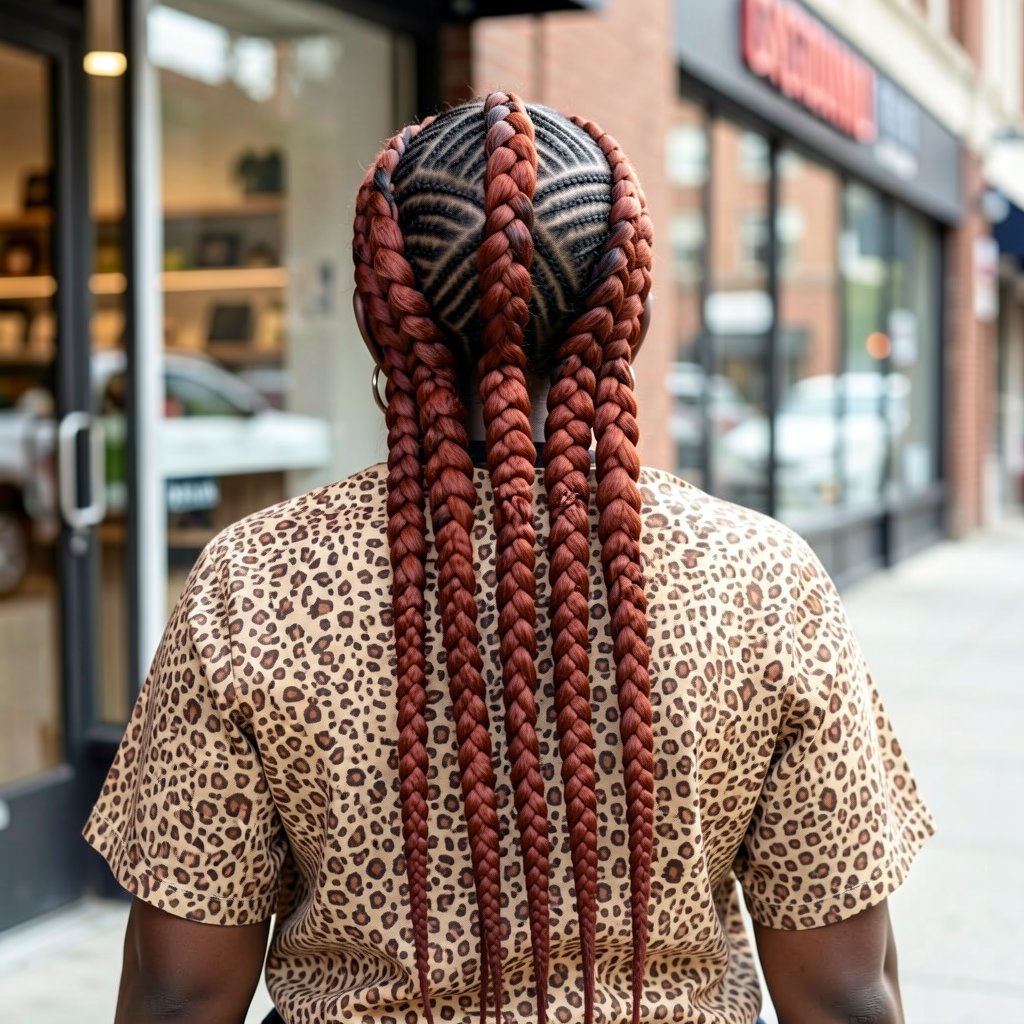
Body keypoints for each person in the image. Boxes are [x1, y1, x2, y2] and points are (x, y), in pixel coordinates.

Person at [84, 93, 933, 1024]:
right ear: (627, 309)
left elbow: (178, 994)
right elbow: (846, 994)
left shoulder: (255, 583)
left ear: (382, 311)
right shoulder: (763, 580)